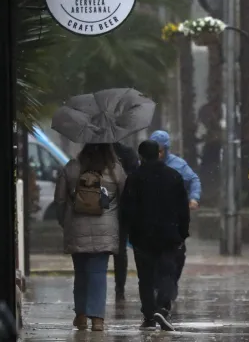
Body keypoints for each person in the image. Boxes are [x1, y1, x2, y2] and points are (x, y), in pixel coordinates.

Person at [54, 144, 126, 331]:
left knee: (81, 273)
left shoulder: (72, 167)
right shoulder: (115, 169)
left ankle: (81, 315)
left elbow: (60, 200)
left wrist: (65, 222)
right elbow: (125, 198)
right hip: (105, 229)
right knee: (98, 273)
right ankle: (97, 319)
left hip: (76, 228)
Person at [120, 140, 190, 331]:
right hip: (169, 235)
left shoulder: (134, 178)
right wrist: (182, 233)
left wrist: (128, 232)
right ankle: (163, 306)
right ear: (159, 154)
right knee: (167, 273)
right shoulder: (173, 176)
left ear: (141, 156)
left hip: (142, 236)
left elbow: (126, 209)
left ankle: (149, 314)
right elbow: (183, 209)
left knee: (146, 277)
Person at [149, 130, 201, 299]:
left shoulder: (178, 165)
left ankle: (170, 284)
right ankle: (160, 286)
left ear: (166, 149)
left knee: (177, 255)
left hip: (174, 221)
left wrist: (194, 198)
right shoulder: (144, 166)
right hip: (152, 221)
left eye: (161, 150)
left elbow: (194, 180)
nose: (158, 153)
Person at [112, 142, 140, 301]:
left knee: (119, 249)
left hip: (118, 208)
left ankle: (119, 286)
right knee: (120, 250)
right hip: (123, 207)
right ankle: (119, 287)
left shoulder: (95, 153)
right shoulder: (127, 152)